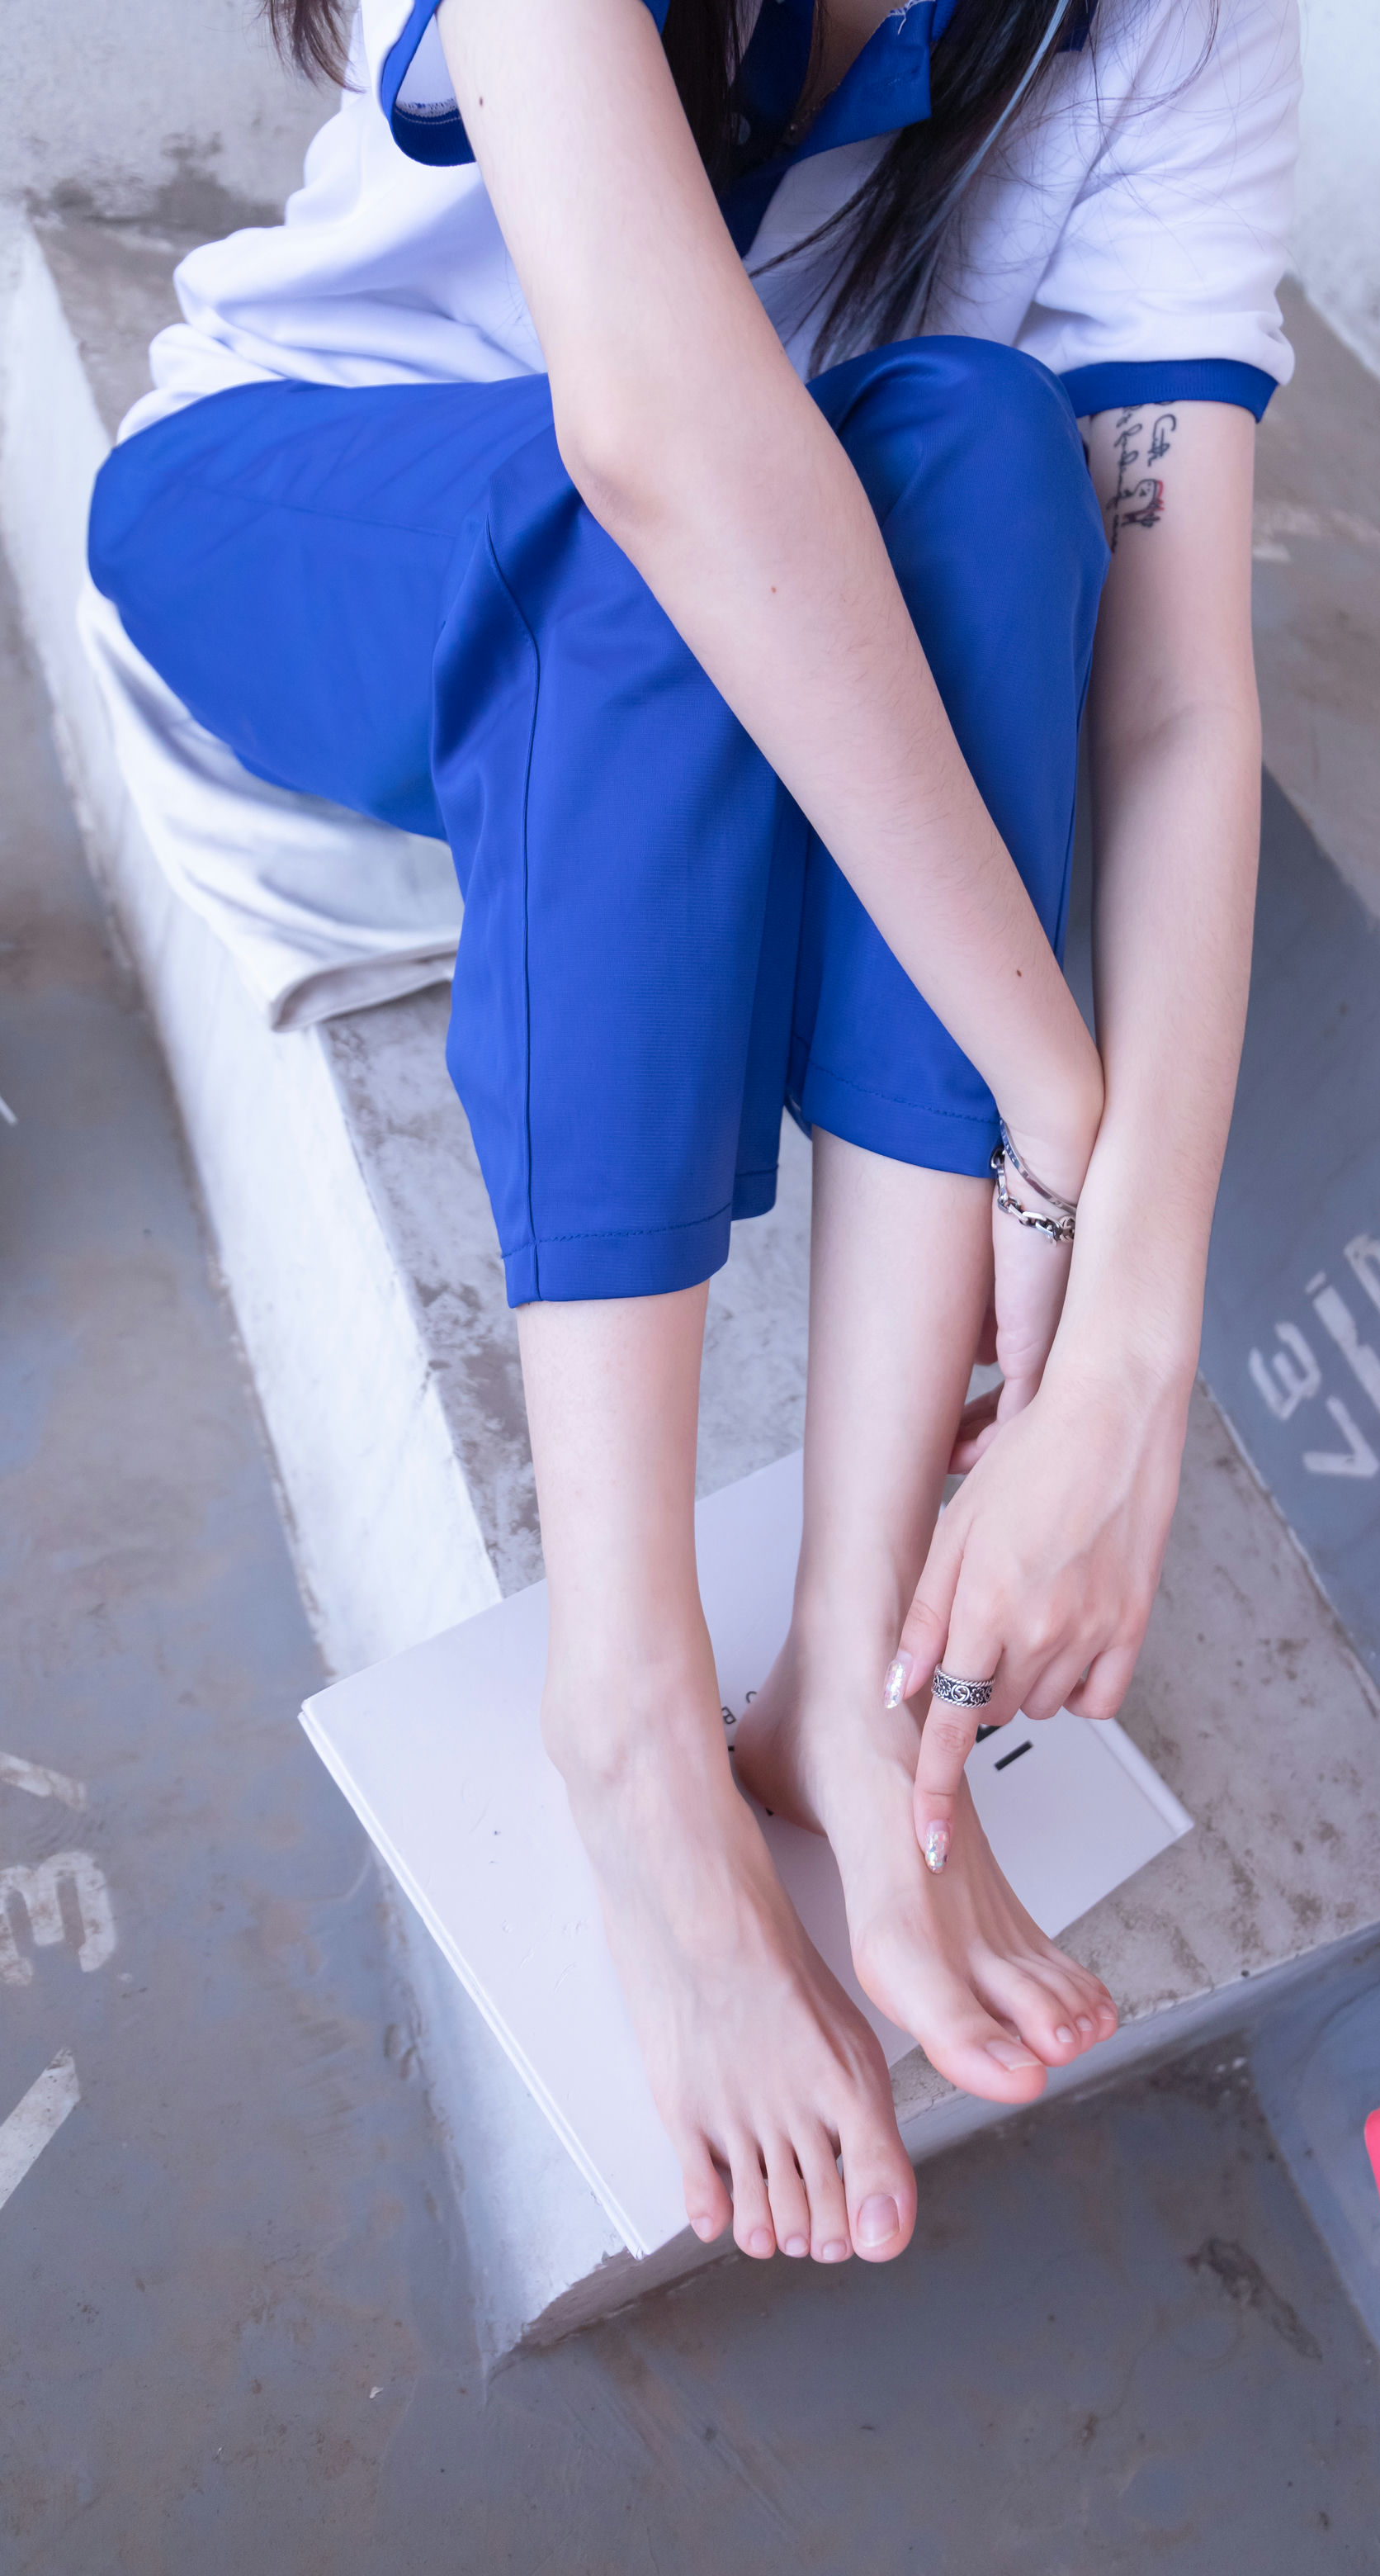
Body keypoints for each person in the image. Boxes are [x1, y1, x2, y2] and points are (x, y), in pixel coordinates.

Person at [87, 0, 1297, 2268]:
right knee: (646, 526)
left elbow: (1173, 697)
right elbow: (661, 441)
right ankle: (631, 1726)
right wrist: (1060, 1102)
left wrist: (1136, 1332)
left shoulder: (1183, 26)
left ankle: (846, 1676)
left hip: (714, 584)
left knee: (987, 441)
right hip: (304, 508)